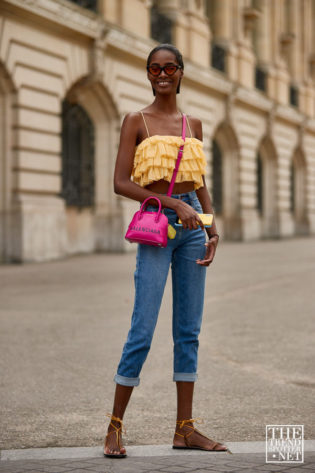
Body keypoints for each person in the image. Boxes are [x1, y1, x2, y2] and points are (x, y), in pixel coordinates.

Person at [104, 43, 230, 458]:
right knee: (142, 328)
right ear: (147, 73)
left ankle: (185, 429)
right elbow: (121, 182)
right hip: (157, 224)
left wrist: (211, 228)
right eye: (155, 68)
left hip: (194, 226)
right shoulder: (135, 121)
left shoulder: (193, 123)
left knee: (188, 331)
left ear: (181, 72)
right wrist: (173, 204)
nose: (162, 74)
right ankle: (115, 426)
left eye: (170, 67)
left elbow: (198, 182)